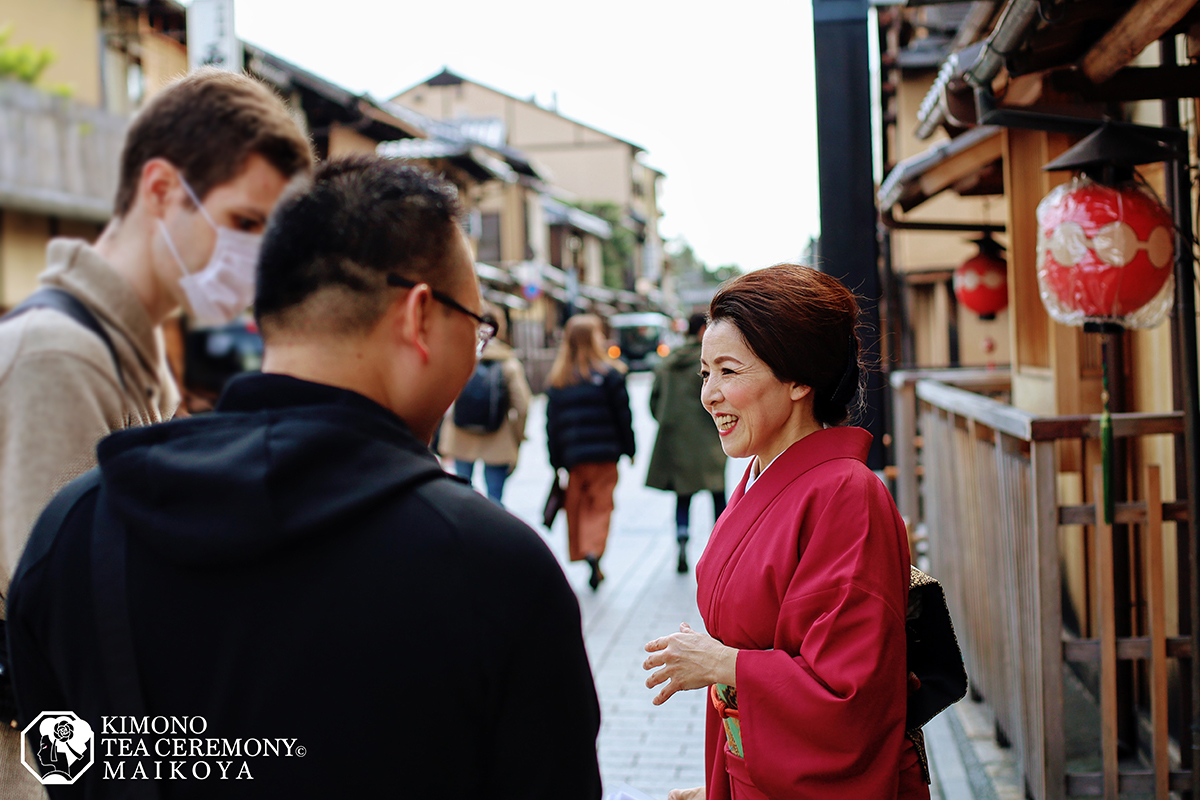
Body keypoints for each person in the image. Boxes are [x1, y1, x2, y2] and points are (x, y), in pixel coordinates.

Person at [7, 157, 602, 799]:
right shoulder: (496, 570)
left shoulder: (77, 529)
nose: (477, 347)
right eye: (477, 326)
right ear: (419, 316)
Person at [0, 68, 312, 798]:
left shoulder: (136, 361)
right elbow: (61, 630)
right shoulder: (58, 356)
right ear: (162, 188)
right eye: (244, 222)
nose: (257, 256)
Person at [643, 265, 926, 800]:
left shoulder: (848, 494)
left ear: (798, 379)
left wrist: (722, 662)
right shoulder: (757, 478)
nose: (710, 395)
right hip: (757, 774)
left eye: (729, 372)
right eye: (705, 374)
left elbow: (850, 693)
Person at [545, 314, 636, 591]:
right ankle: (594, 550)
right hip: (605, 455)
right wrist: (629, 448)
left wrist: (555, 460)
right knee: (600, 506)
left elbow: (551, 425)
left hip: (573, 459)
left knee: (577, 507)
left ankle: (583, 550)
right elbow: (624, 416)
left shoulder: (558, 380)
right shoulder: (610, 375)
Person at [645, 313, 727, 574]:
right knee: (718, 493)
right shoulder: (707, 363)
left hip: (676, 440)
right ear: (703, 330)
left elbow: (653, 403)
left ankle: (682, 538)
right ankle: (724, 546)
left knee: (683, 496)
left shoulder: (667, 362)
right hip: (708, 438)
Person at [438, 302, 532, 504]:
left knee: (462, 497)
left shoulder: (458, 358)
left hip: (460, 437)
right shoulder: (508, 363)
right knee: (495, 500)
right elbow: (523, 406)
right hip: (498, 439)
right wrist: (517, 436)